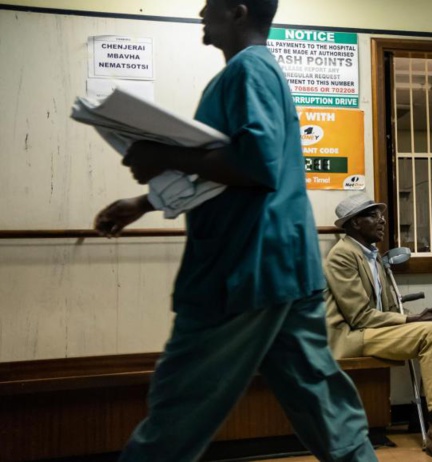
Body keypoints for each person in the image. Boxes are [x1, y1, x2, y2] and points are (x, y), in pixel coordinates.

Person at [92, 1, 377, 461]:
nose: (202, 12)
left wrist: (162, 156)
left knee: (178, 406)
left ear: (238, 11)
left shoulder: (248, 71)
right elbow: (224, 167)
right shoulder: (255, 73)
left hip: (245, 268)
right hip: (285, 265)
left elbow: (257, 164)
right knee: (321, 401)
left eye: (211, 4)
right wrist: (144, 203)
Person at [323, 193, 432, 462]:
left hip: (372, 330)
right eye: (372, 215)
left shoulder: (373, 256)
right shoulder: (342, 256)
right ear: (355, 223)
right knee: (431, 330)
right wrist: (415, 320)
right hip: (350, 336)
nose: (381, 220)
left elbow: (389, 311)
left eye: (380, 214)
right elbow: (360, 317)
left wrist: (421, 317)